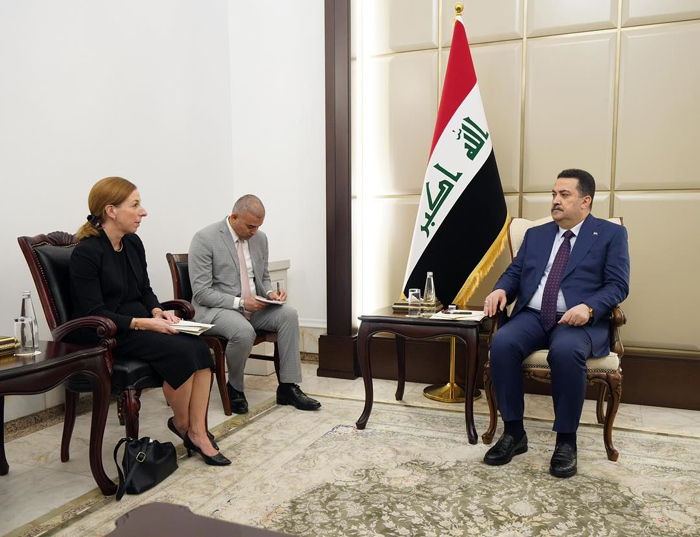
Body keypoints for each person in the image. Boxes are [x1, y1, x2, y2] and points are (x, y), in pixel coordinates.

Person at [70, 176, 230, 466]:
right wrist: (145, 323)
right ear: (111, 211)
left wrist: (157, 312)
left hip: (140, 322)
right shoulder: (86, 252)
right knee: (181, 352)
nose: (143, 212)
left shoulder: (132, 243)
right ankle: (184, 425)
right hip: (109, 331)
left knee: (199, 347)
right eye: (135, 205)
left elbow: (144, 289)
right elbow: (95, 312)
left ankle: (196, 430)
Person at [482, 169, 630, 478]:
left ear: (585, 201)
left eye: (564, 195)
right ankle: (513, 433)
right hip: (533, 314)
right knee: (503, 342)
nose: (555, 201)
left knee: (565, 351)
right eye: (553, 194)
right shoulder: (536, 235)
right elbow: (515, 272)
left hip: (577, 320)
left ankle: (566, 441)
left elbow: (618, 285)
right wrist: (500, 289)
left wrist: (589, 307)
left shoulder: (610, 234)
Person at [188, 195, 321, 414]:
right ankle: (235, 388)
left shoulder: (260, 239)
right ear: (234, 217)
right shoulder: (205, 238)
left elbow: (264, 277)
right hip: (218, 309)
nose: (255, 232)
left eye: (259, 226)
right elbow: (201, 293)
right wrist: (240, 303)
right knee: (243, 331)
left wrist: (270, 293)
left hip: (253, 307)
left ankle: (288, 387)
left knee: (288, 315)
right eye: (251, 226)